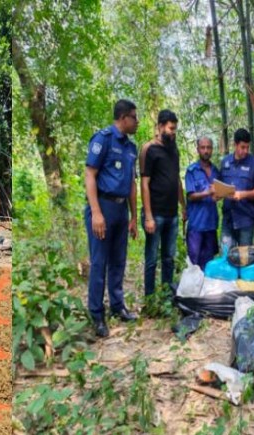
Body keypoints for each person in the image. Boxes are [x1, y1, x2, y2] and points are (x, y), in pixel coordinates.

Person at [85, 99, 139, 338]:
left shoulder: (131, 148)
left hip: (121, 210)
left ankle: (118, 306)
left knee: (119, 260)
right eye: (135, 117)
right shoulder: (103, 139)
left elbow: (132, 184)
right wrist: (96, 212)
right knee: (99, 263)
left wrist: (134, 216)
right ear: (123, 118)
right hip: (103, 207)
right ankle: (97, 314)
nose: (137, 122)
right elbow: (90, 174)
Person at [140, 109, 184, 295]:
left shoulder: (173, 149)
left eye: (175, 129)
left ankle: (166, 295)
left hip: (172, 214)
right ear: (160, 126)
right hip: (155, 214)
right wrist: (148, 216)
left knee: (169, 257)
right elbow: (144, 183)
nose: (173, 132)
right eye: (170, 128)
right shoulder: (148, 149)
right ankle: (150, 298)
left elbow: (177, 180)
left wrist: (184, 205)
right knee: (151, 259)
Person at [215, 128, 254, 249]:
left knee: (244, 258)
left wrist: (242, 194)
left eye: (247, 147)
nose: (245, 151)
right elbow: (218, 186)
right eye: (242, 147)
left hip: (246, 218)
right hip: (228, 218)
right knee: (226, 256)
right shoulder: (225, 162)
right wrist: (218, 194)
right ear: (235, 145)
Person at [185, 136, 220, 269]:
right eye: (203, 147)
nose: (206, 150)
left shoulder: (216, 171)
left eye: (209, 148)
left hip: (211, 224)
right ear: (198, 149)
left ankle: (206, 289)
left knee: (209, 264)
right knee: (194, 264)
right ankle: (193, 289)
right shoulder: (192, 171)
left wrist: (219, 195)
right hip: (196, 225)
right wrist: (207, 192)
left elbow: (219, 192)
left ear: (212, 149)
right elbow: (191, 196)